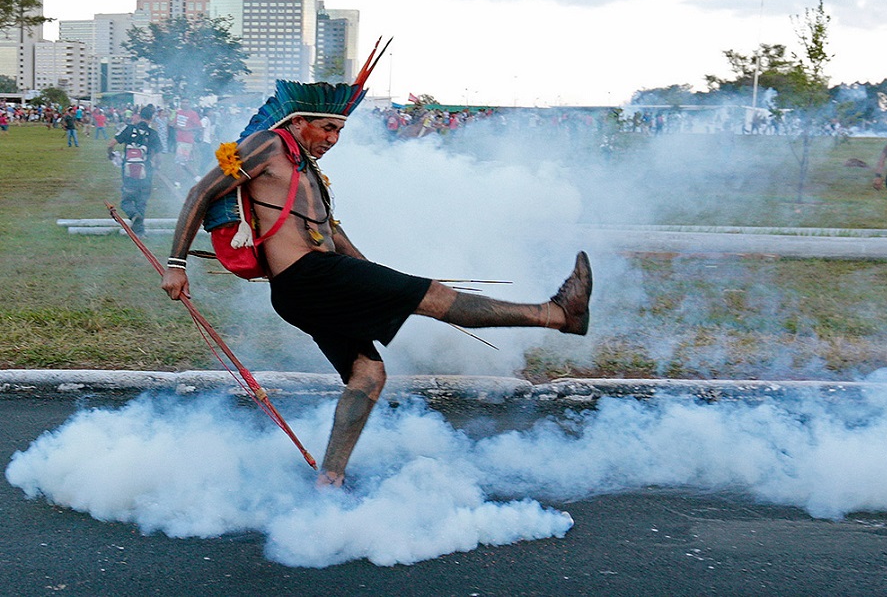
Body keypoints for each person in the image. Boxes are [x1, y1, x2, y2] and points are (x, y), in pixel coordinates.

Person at [160, 80, 593, 489]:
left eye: (339, 131)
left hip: (307, 286)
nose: (333, 139)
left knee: (367, 375)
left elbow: (330, 232)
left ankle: (330, 481)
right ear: (298, 121)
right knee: (436, 297)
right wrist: (176, 265)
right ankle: (558, 314)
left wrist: (371, 274)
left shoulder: (305, 168)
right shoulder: (268, 144)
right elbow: (200, 192)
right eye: (326, 128)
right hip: (308, 277)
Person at [108, 105, 163, 236]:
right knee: (141, 202)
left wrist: (110, 154)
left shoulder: (128, 129)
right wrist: (157, 166)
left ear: (139, 116)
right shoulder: (153, 134)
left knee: (126, 201)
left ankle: (133, 216)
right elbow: (159, 156)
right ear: (151, 118)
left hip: (129, 172)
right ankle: (140, 231)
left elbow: (111, 143)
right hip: (146, 172)